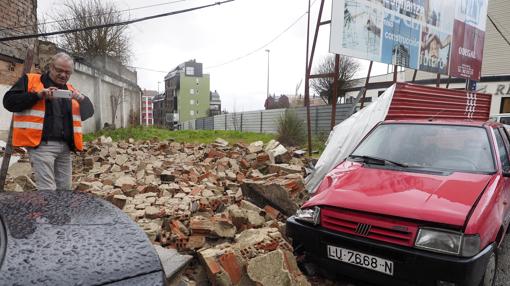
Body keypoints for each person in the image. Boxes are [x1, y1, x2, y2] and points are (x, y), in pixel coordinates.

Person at [3, 52, 94, 191]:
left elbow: (88, 112)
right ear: (50, 67)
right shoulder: (31, 80)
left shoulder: (71, 90)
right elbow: (9, 102)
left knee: (65, 189)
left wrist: (80, 98)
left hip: (65, 147)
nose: (63, 75)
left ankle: (61, 213)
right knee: (48, 190)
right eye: (59, 70)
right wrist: (39, 95)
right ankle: (48, 213)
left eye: (67, 72)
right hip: (41, 145)